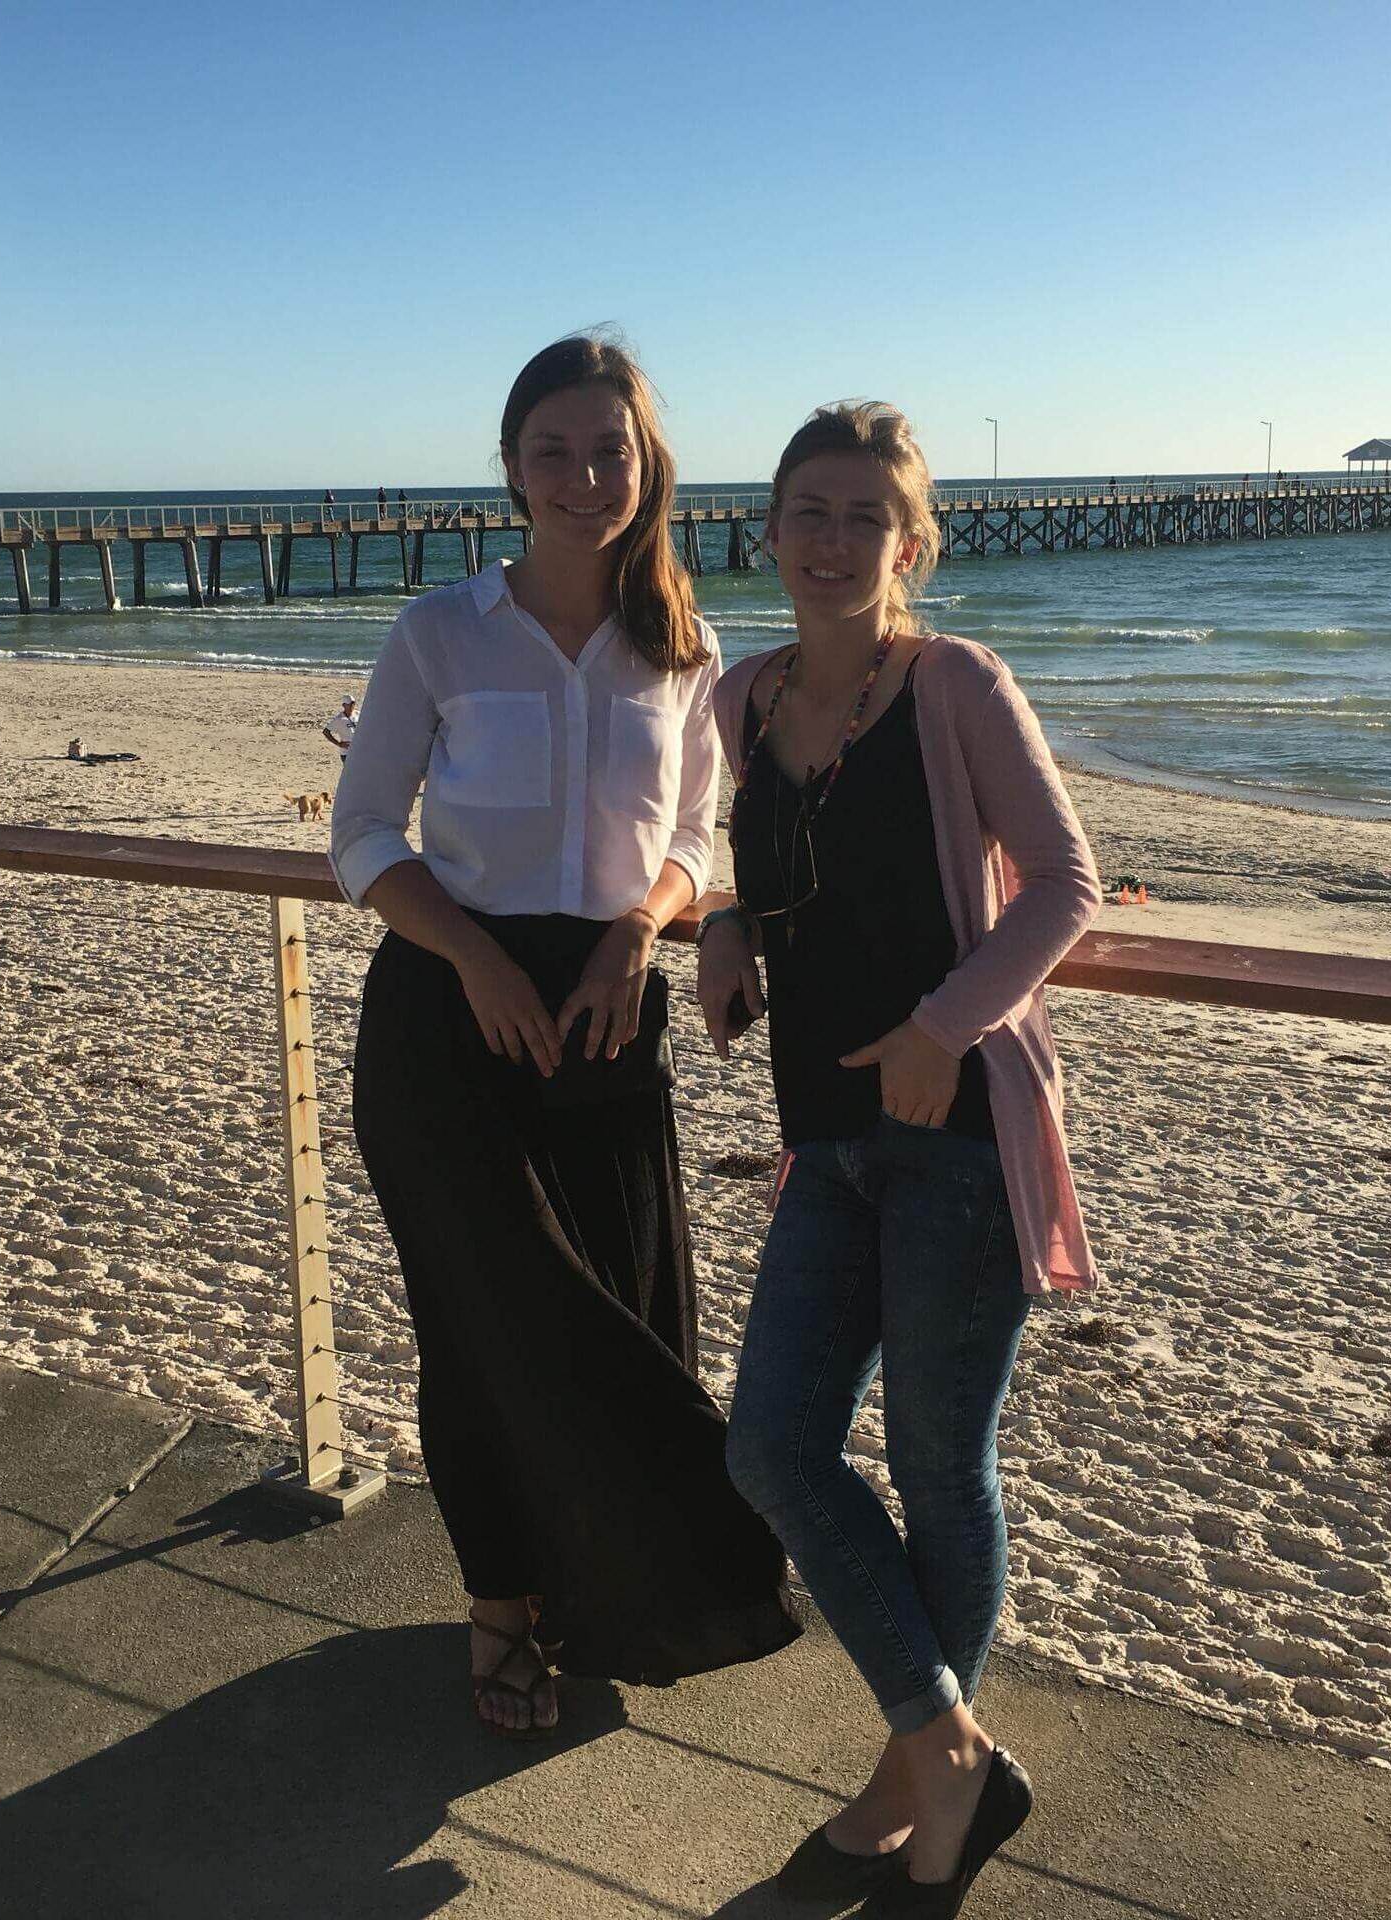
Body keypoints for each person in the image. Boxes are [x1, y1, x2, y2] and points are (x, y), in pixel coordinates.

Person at [330, 335, 801, 1741]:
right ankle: (500, 1610)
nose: (586, 476)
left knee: (624, 1317)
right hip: (446, 1012)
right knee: (481, 1334)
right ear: (509, 467)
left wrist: (638, 932)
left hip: (608, 1010)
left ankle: (611, 1597)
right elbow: (359, 834)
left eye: (613, 450)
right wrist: (471, 952)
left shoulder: (687, 644)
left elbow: (694, 836)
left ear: (648, 466)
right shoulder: (438, 630)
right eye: (556, 450)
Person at [696, 403, 1101, 1914]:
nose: (830, 537)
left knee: (939, 1468)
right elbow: (757, 867)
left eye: (866, 514)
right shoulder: (742, 699)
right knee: (773, 1445)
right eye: (806, 508)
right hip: (823, 1140)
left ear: (911, 545)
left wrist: (942, 1026)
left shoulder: (954, 685)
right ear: (766, 530)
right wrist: (727, 928)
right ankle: (948, 1747)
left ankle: (909, 1775)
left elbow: (1063, 889)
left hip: (955, 1142)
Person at [322, 695, 359, 761]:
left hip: (359, 750)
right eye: (348, 704)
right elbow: (326, 732)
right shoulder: (339, 719)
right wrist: (338, 744)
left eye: (352, 703)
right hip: (347, 753)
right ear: (344, 705)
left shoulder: (358, 714)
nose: (351, 706)